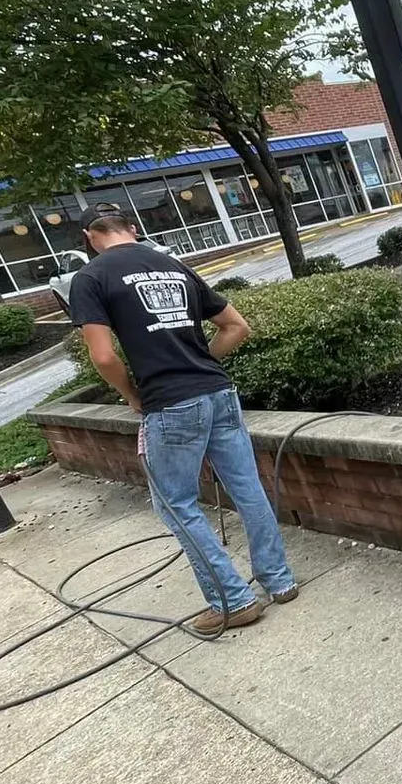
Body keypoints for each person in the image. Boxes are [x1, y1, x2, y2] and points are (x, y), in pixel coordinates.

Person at [67, 205, 296, 631]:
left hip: (171, 403)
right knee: (247, 489)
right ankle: (279, 582)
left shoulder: (91, 277)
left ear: (89, 236)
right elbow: (237, 327)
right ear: (131, 228)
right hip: (218, 391)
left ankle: (233, 600)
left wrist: (132, 395)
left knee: (175, 505)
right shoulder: (173, 265)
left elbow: (101, 355)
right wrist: (198, 364)